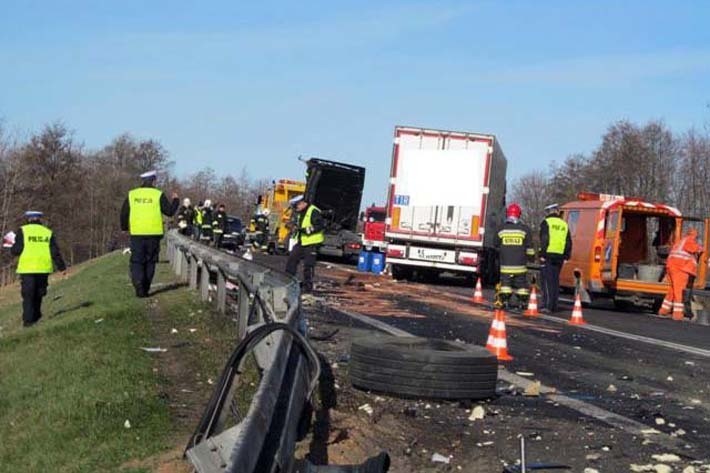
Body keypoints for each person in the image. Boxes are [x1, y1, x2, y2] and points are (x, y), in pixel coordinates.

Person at [120, 170, 179, 298]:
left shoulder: (132, 194)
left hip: (137, 234)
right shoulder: (158, 194)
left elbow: (124, 213)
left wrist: (124, 228)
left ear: (143, 181)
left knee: (137, 261)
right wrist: (176, 200)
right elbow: (169, 212)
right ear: (153, 180)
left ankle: (138, 284)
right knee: (150, 261)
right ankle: (145, 288)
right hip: (154, 234)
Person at [9, 211, 67, 327]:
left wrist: (12, 247)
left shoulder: (23, 231)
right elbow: (54, 252)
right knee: (39, 292)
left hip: (27, 268)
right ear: (40, 219)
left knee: (28, 294)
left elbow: (17, 250)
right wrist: (62, 267)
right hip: (43, 267)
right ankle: (36, 315)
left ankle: (28, 321)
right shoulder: (47, 232)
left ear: (28, 219)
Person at [495, 203, 535, 309]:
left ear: (508, 214)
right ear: (519, 214)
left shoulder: (501, 229)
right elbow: (530, 248)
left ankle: (505, 301)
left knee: (505, 284)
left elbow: (495, 244)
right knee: (521, 285)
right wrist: (531, 258)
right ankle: (522, 303)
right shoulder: (525, 230)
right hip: (520, 266)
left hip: (506, 265)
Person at [658, 228, 703, 320]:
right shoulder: (689, 240)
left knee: (672, 290)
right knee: (679, 291)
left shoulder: (680, 241)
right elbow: (693, 248)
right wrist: (701, 248)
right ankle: (677, 314)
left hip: (671, 267)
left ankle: (664, 310)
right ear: (694, 235)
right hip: (680, 268)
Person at [285, 195, 325, 293]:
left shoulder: (313, 211)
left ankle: (308, 287)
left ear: (302, 203)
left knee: (308, 265)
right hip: (302, 241)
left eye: (296, 205)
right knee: (292, 259)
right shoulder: (300, 213)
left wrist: (304, 230)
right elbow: (299, 225)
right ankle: (287, 280)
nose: (296, 208)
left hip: (312, 242)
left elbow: (319, 225)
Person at [539, 203, 572, 313]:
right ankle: (554, 305)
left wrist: (542, 254)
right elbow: (568, 242)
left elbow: (544, 239)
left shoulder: (546, 223)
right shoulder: (564, 224)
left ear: (548, 212)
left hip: (548, 255)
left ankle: (547, 306)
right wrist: (566, 256)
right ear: (557, 211)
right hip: (560, 256)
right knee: (555, 281)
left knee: (547, 281)